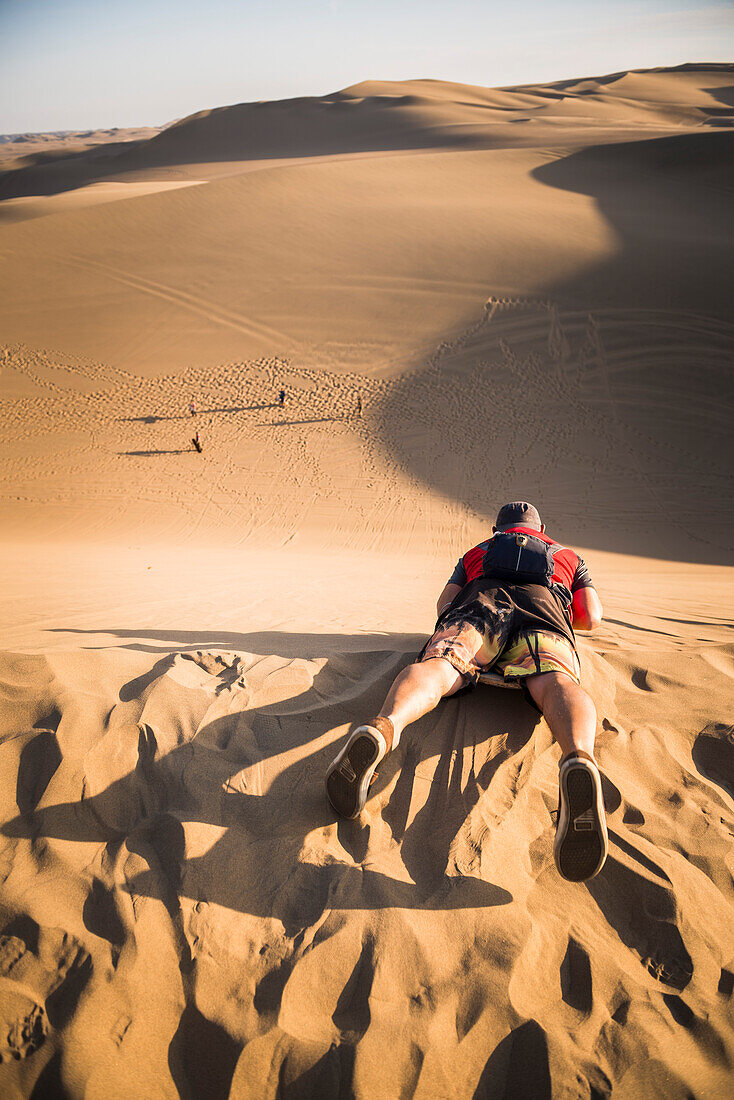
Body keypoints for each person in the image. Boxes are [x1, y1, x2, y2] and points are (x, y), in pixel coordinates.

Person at [326, 501, 608, 883]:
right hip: (545, 613)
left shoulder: (480, 552)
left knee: (442, 667)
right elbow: (590, 617)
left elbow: (445, 604)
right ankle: (578, 757)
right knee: (554, 681)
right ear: (542, 528)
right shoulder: (568, 556)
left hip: (482, 602)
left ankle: (385, 727)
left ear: (498, 529)